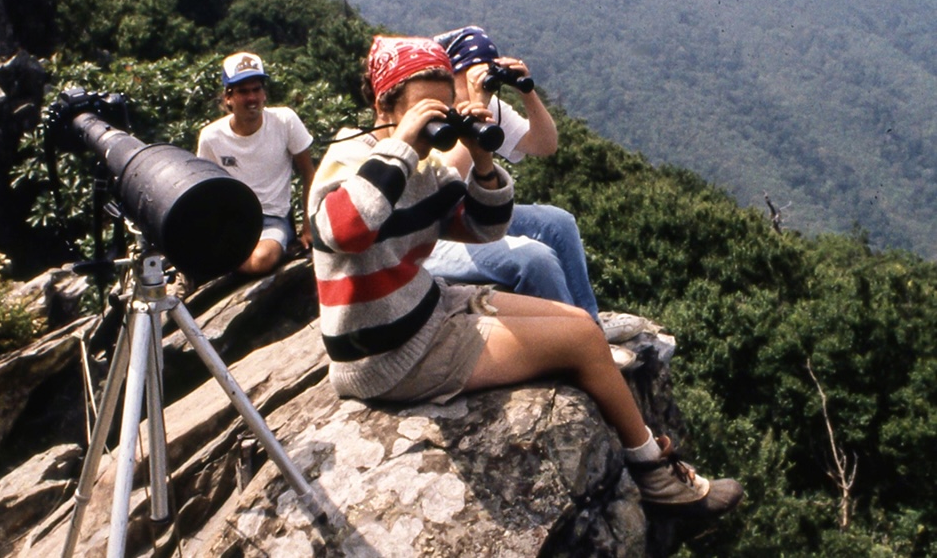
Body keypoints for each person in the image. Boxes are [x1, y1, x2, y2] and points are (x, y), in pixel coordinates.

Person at [308, 35, 742, 517]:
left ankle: (636, 444)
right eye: (424, 106)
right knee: (578, 342)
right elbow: (344, 230)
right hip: (391, 356)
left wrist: (483, 157)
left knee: (580, 325)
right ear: (382, 103)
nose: (437, 115)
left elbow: (482, 226)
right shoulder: (349, 162)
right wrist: (403, 146)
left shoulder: (428, 169)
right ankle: (654, 475)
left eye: (444, 103)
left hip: (428, 308)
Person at [422, 26, 602, 324]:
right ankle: (572, 335)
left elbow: (544, 145)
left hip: (474, 219)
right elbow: (448, 179)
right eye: (472, 73)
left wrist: (527, 93)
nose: (482, 83)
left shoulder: (488, 106)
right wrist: (477, 108)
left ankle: (591, 324)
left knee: (559, 223)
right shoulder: (433, 115)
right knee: (534, 258)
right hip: (433, 236)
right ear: (450, 75)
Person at [197, 52, 316, 275]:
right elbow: (206, 190)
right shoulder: (211, 137)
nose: (252, 98)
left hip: (273, 219)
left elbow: (309, 173)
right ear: (228, 98)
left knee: (262, 259)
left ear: (264, 94)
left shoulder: (285, 121)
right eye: (243, 91)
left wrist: (309, 227)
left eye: (256, 89)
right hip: (231, 222)